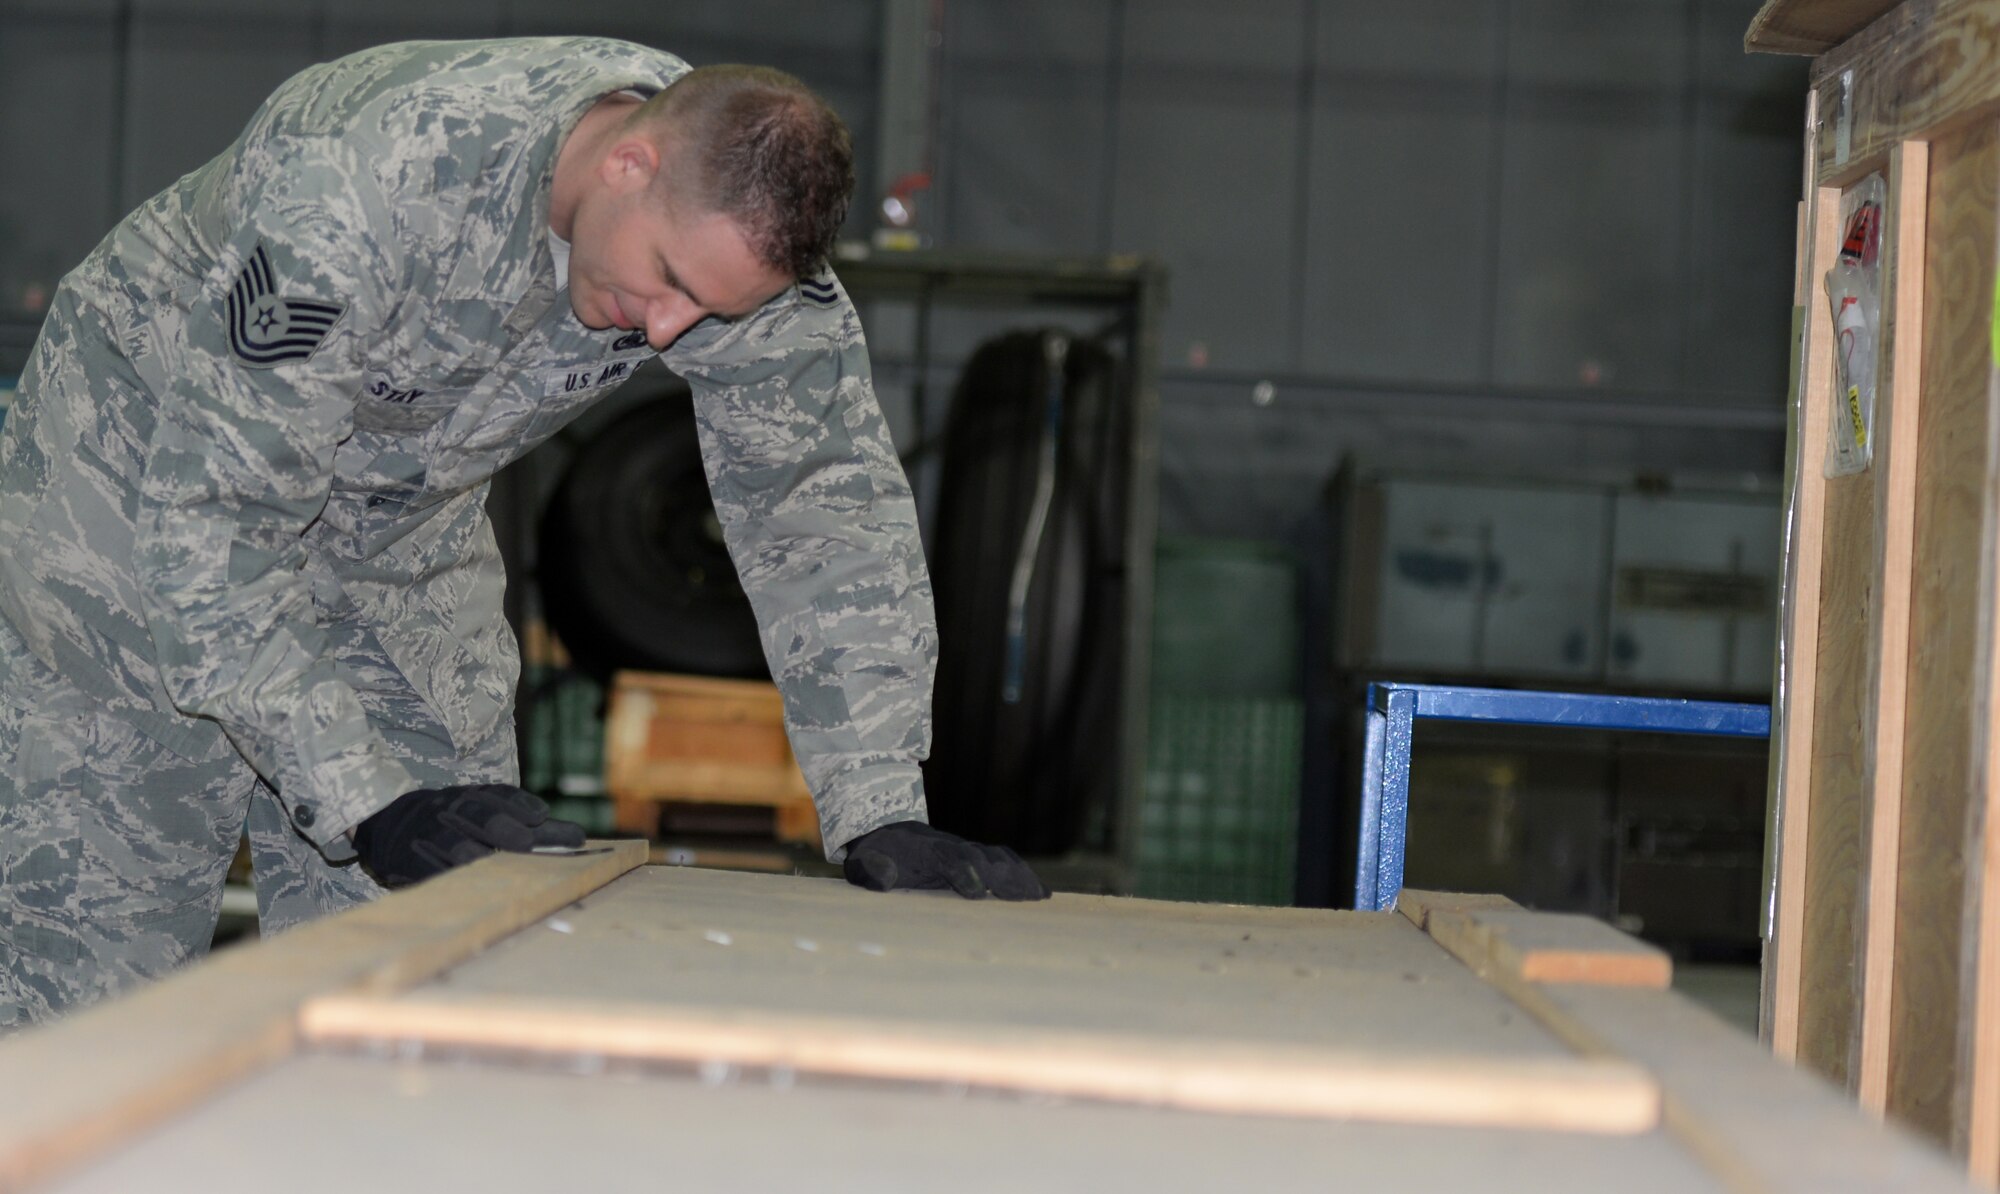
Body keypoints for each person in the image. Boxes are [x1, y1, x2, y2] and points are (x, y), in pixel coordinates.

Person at [0, 36, 1046, 1032]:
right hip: (133, 488)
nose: (668, 332)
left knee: (446, 927)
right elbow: (217, 529)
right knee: (99, 957)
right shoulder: (370, 184)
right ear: (627, 161)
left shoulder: (727, 232)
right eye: (670, 284)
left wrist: (876, 803)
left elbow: (823, 507)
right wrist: (365, 798)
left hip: (394, 527)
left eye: (707, 311)